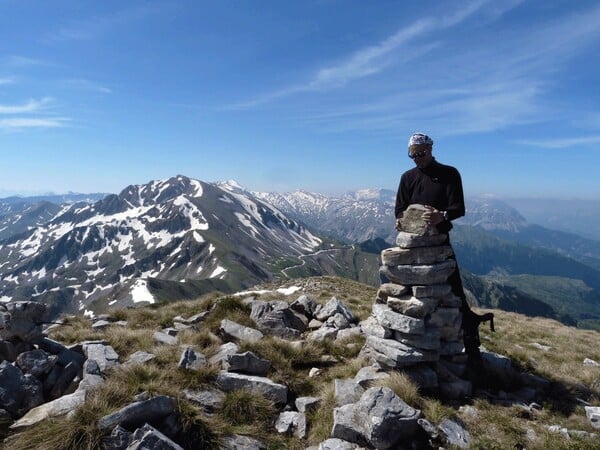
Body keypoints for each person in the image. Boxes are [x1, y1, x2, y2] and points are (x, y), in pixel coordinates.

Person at [394, 132, 491, 368]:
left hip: (439, 242)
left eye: (421, 153)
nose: (417, 158)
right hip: (413, 243)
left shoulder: (449, 174)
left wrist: (442, 216)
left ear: (430, 148)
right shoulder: (408, 177)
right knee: (404, 288)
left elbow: (459, 208)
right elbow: (399, 208)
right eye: (413, 154)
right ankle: (413, 336)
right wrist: (399, 220)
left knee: (455, 290)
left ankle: (470, 343)